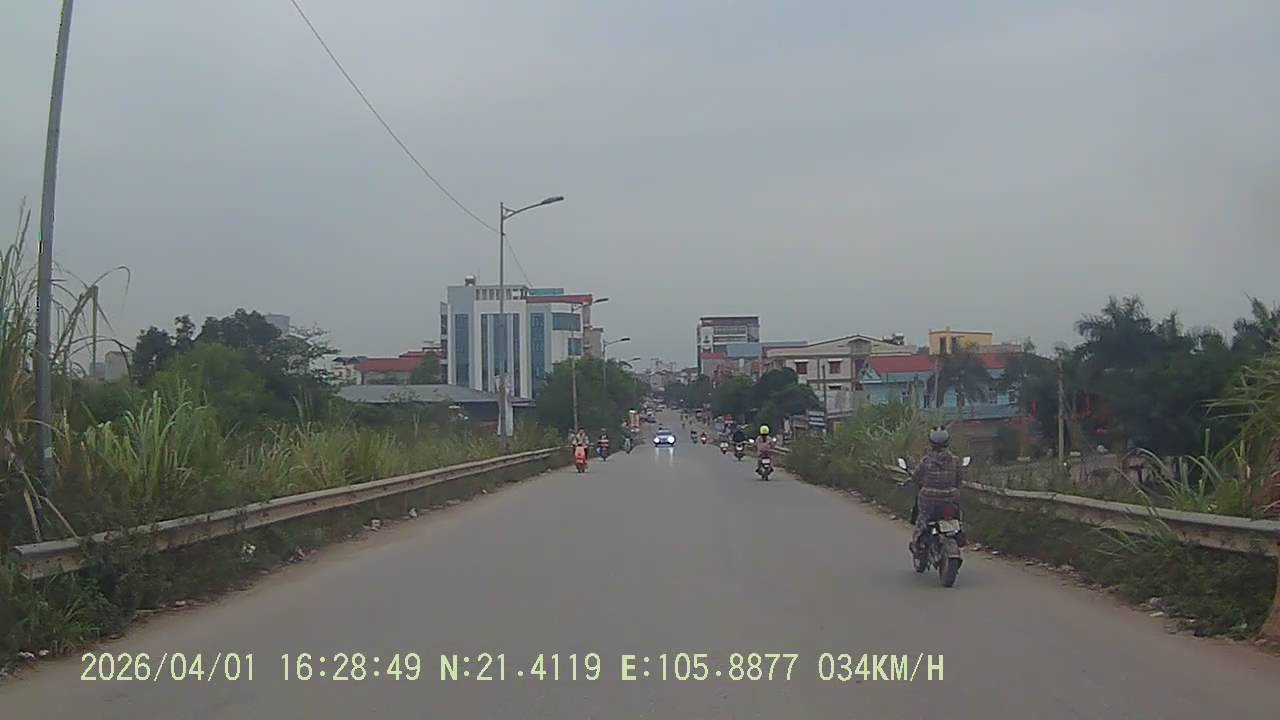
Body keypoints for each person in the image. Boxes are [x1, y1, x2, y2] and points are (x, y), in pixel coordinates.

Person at [909, 428, 964, 552]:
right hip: (950, 497)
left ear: (931, 444)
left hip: (929, 498)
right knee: (957, 515)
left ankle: (917, 541)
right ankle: (959, 530)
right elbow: (959, 479)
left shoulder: (926, 461)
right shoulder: (955, 460)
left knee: (922, 519)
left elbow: (916, 476)